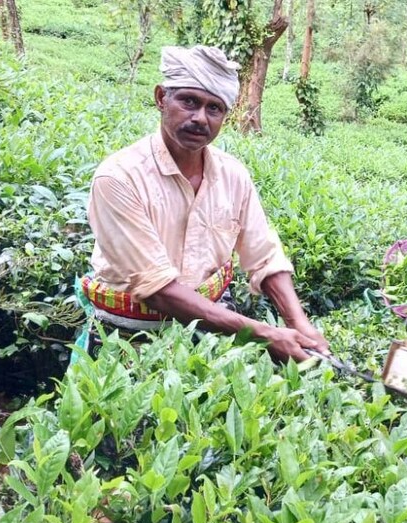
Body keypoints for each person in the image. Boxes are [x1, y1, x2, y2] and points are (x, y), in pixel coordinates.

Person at [82, 45, 329, 362]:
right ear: (161, 98)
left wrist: (299, 324)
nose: (200, 118)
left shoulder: (233, 175)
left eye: (214, 108)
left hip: (214, 328)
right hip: (129, 334)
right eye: (189, 101)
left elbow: (264, 255)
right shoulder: (118, 177)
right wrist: (265, 334)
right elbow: (157, 289)